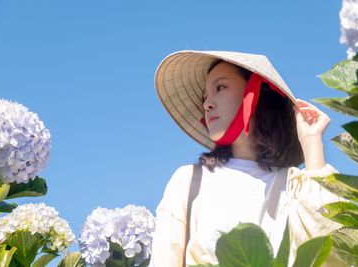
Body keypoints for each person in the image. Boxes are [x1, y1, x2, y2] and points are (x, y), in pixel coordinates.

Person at [149, 50, 347, 267]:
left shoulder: (292, 185)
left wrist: (311, 142)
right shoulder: (189, 180)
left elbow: (331, 247)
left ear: (255, 92)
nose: (207, 104)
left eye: (220, 88)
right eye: (205, 97)